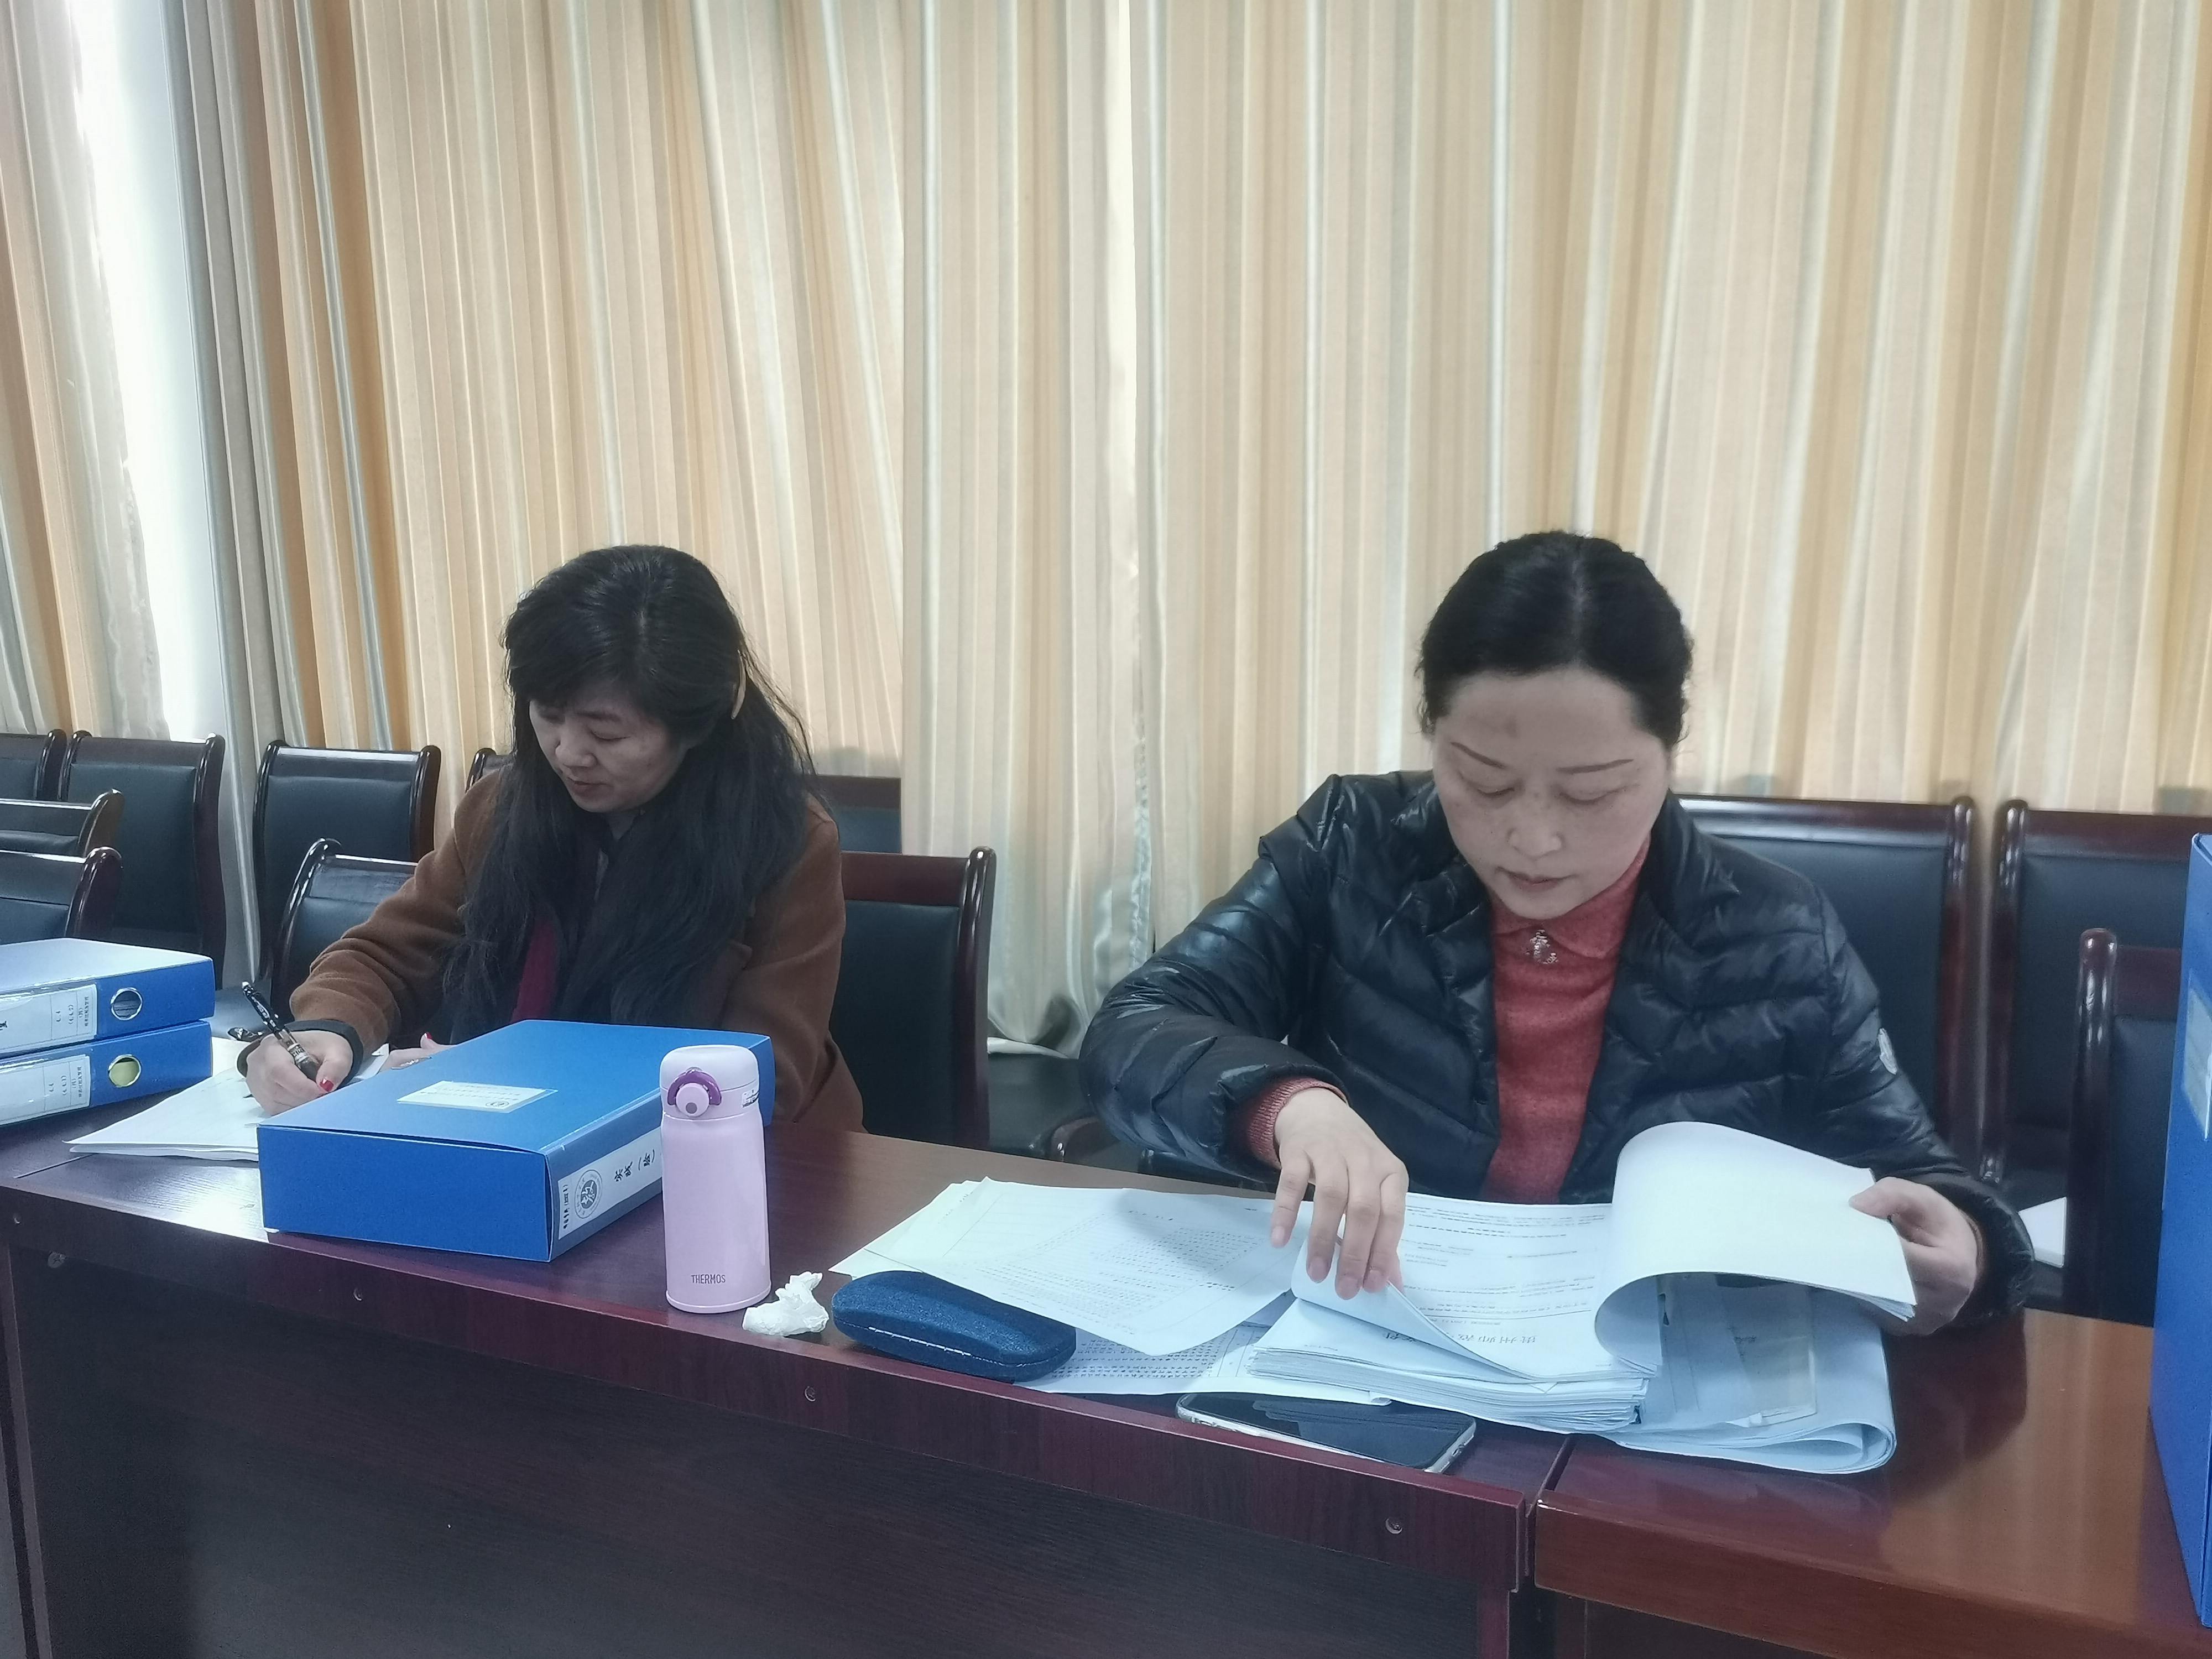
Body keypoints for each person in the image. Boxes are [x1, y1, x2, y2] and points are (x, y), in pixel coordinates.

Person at [1081, 531, 2031, 1329]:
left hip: (1646, 1393)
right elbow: (1137, 1028)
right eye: (1484, 781)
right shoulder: (1352, 847)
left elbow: (1922, 1178)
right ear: (1430, 733)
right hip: (1381, 1339)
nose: (1533, 839)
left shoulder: (1780, 934)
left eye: (1592, 793)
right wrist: (1289, 1106)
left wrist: (1971, 1250)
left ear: (1670, 756)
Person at [245, 545, 862, 1129]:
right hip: (509, 1142)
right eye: (547, 714)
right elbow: (383, 955)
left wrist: (506, 1075)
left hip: (734, 1164)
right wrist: (328, 1028)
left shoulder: (787, 842)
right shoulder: (502, 808)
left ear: (700, 724)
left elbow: (759, 1077)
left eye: (606, 733)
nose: (568, 753)